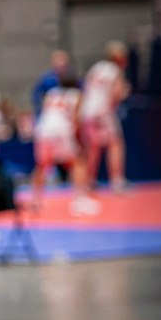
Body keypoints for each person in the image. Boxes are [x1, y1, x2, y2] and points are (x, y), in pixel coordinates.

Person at [31, 79, 98, 215]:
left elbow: (45, 112)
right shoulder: (77, 95)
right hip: (61, 131)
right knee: (78, 162)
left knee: (42, 165)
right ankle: (80, 201)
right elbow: (76, 119)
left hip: (43, 131)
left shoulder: (51, 93)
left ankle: (36, 200)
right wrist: (80, 141)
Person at [78, 41, 130, 191]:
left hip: (88, 112)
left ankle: (89, 182)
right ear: (119, 58)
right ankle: (117, 181)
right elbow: (116, 94)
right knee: (115, 144)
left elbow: (85, 90)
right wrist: (124, 92)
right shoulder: (115, 71)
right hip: (103, 112)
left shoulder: (96, 68)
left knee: (93, 147)